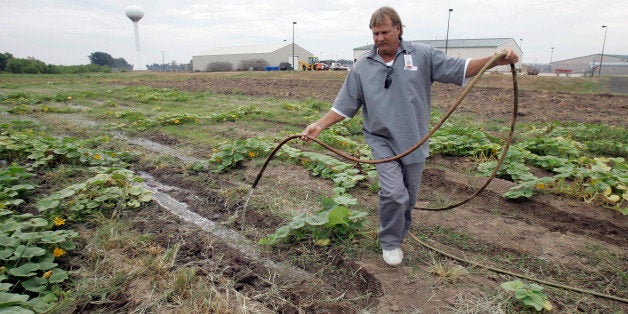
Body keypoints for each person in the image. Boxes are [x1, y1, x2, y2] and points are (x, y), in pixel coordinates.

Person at [301, 6, 518, 266]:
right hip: (381, 140)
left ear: (398, 29)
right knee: (394, 193)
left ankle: (400, 231)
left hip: (415, 139)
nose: (379, 38)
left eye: (384, 32)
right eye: (375, 33)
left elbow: (461, 68)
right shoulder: (362, 66)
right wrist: (319, 125)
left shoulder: (422, 54)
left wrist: (495, 59)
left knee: (408, 198)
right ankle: (390, 242)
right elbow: (345, 105)